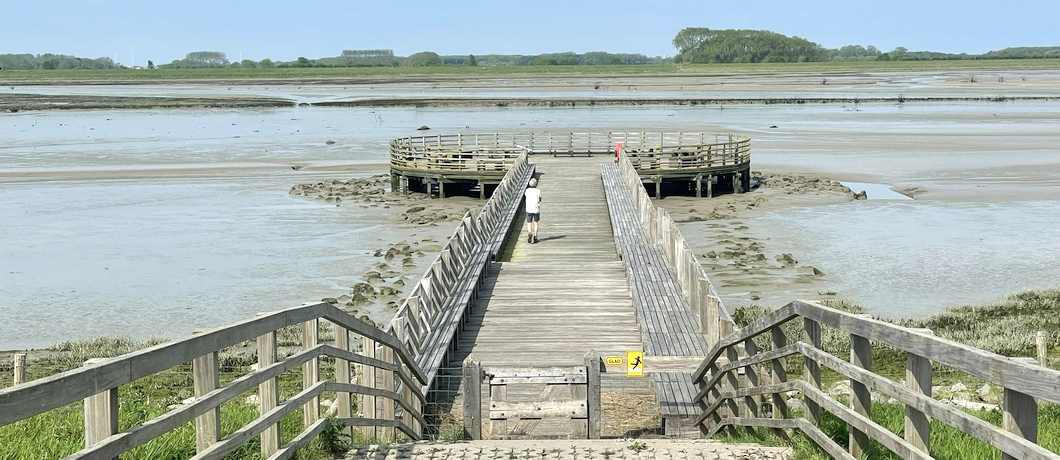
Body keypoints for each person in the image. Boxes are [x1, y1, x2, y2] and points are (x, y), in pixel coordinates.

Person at [524, 177, 541, 244]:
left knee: (529, 222)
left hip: (528, 209)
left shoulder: (527, 190)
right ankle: (535, 236)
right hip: (536, 209)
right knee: (536, 223)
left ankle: (530, 234)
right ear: (536, 184)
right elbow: (540, 199)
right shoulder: (538, 190)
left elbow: (525, 196)